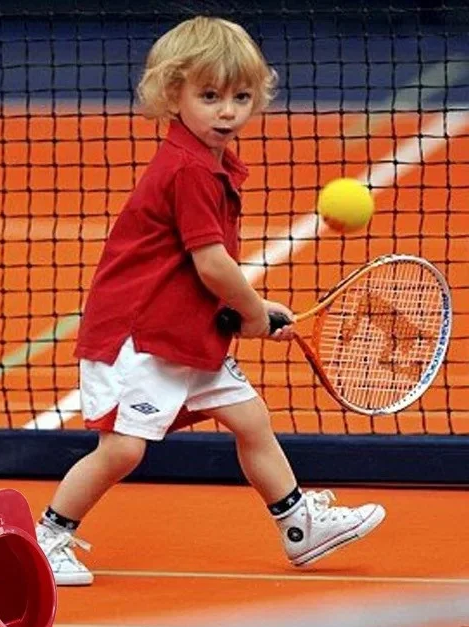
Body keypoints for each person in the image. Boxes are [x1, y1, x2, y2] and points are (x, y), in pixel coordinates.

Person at [35, 16, 385, 586]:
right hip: (140, 337)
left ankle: (298, 524)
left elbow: (200, 271)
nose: (228, 111)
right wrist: (252, 311)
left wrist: (248, 309)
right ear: (173, 96)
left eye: (241, 97)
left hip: (185, 330)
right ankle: (46, 538)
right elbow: (213, 265)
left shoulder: (214, 162)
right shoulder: (189, 168)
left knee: (250, 418)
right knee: (122, 450)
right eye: (210, 96)